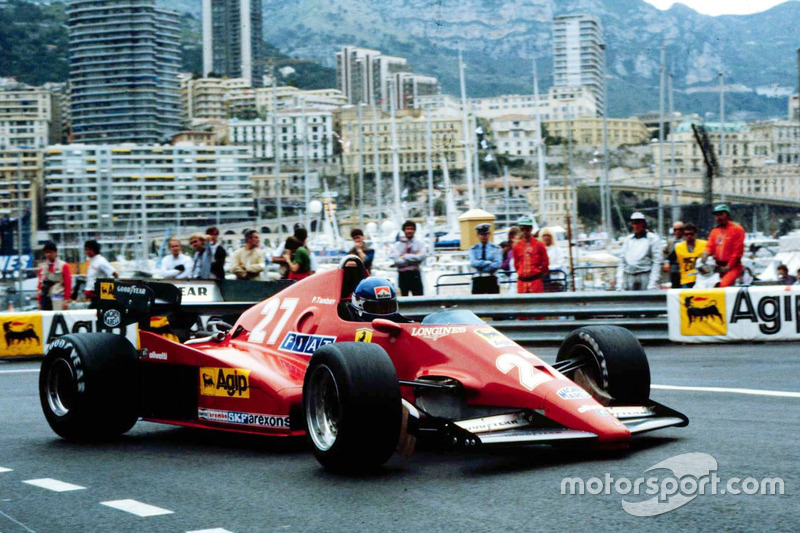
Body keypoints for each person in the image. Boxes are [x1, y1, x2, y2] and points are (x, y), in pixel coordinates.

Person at [701, 204, 746, 288]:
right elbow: (710, 246)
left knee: (723, 285)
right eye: (716, 215)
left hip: (733, 267)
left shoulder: (737, 229)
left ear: (728, 215)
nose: (719, 217)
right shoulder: (715, 231)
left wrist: (728, 267)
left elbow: (737, 252)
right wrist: (705, 255)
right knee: (706, 285)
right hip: (717, 267)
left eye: (721, 214)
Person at [615, 212, 661, 291]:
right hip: (629, 276)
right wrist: (620, 282)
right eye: (634, 223)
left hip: (645, 275)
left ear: (644, 224)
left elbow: (657, 262)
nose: (637, 225)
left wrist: (652, 283)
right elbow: (622, 262)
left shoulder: (653, 239)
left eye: (639, 223)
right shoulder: (628, 240)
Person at [512, 216, 549, 293]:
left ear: (531, 229)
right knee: (522, 304)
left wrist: (539, 273)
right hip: (522, 282)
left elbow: (545, 262)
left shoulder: (540, 245)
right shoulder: (516, 246)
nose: (525, 232)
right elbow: (516, 264)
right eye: (522, 229)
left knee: (537, 303)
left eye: (527, 229)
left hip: (535, 281)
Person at [390, 220, 426, 296]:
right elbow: (397, 261)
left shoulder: (420, 243)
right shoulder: (397, 245)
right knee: (403, 297)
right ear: (404, 230)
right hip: (403, 275)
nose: (410, 231)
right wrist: (414, 257)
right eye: (407, 229)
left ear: (415, 230)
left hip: (415, 274)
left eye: (412, 229)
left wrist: (405, 256)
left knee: (418, 298)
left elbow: (421, 257)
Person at [37, 242, 72, 311]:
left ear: (56, 252)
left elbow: (68, 284)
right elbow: (40, 285)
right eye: (46, 252)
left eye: (50, 252)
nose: (48, 254)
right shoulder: (42, 267)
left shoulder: (63, 265)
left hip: (58, 296)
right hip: (45, 296)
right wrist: (39, 301)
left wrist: (66, 300)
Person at [468, 223, 502, 294]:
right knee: (477, 303)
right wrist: (488, 262)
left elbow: (497, 264)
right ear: (477, 235)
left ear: (489, 234)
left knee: (493, 303)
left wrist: (480, 265)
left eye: (486, 234)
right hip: (478, 279)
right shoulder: (473, 249)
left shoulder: (496, 248)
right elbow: (473, 263)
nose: (484, 236)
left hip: (491, 279)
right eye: (482, 234)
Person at [673, 222, 706, 288]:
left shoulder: (704, 244)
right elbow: (669, 258)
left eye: (691, 234)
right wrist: (666, 263)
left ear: (695, 234)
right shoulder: (678, 247)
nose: (689, 236)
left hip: (702, 279)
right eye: (686, 234)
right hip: (686, 280)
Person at [662, 221, 685, 288]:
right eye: (675, 230)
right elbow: (665, 252)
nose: (677, 231)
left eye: (680, 229)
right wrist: (666, 262)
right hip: (673, 269)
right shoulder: (670, 241)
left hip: (684, 268)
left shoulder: (686, 241)